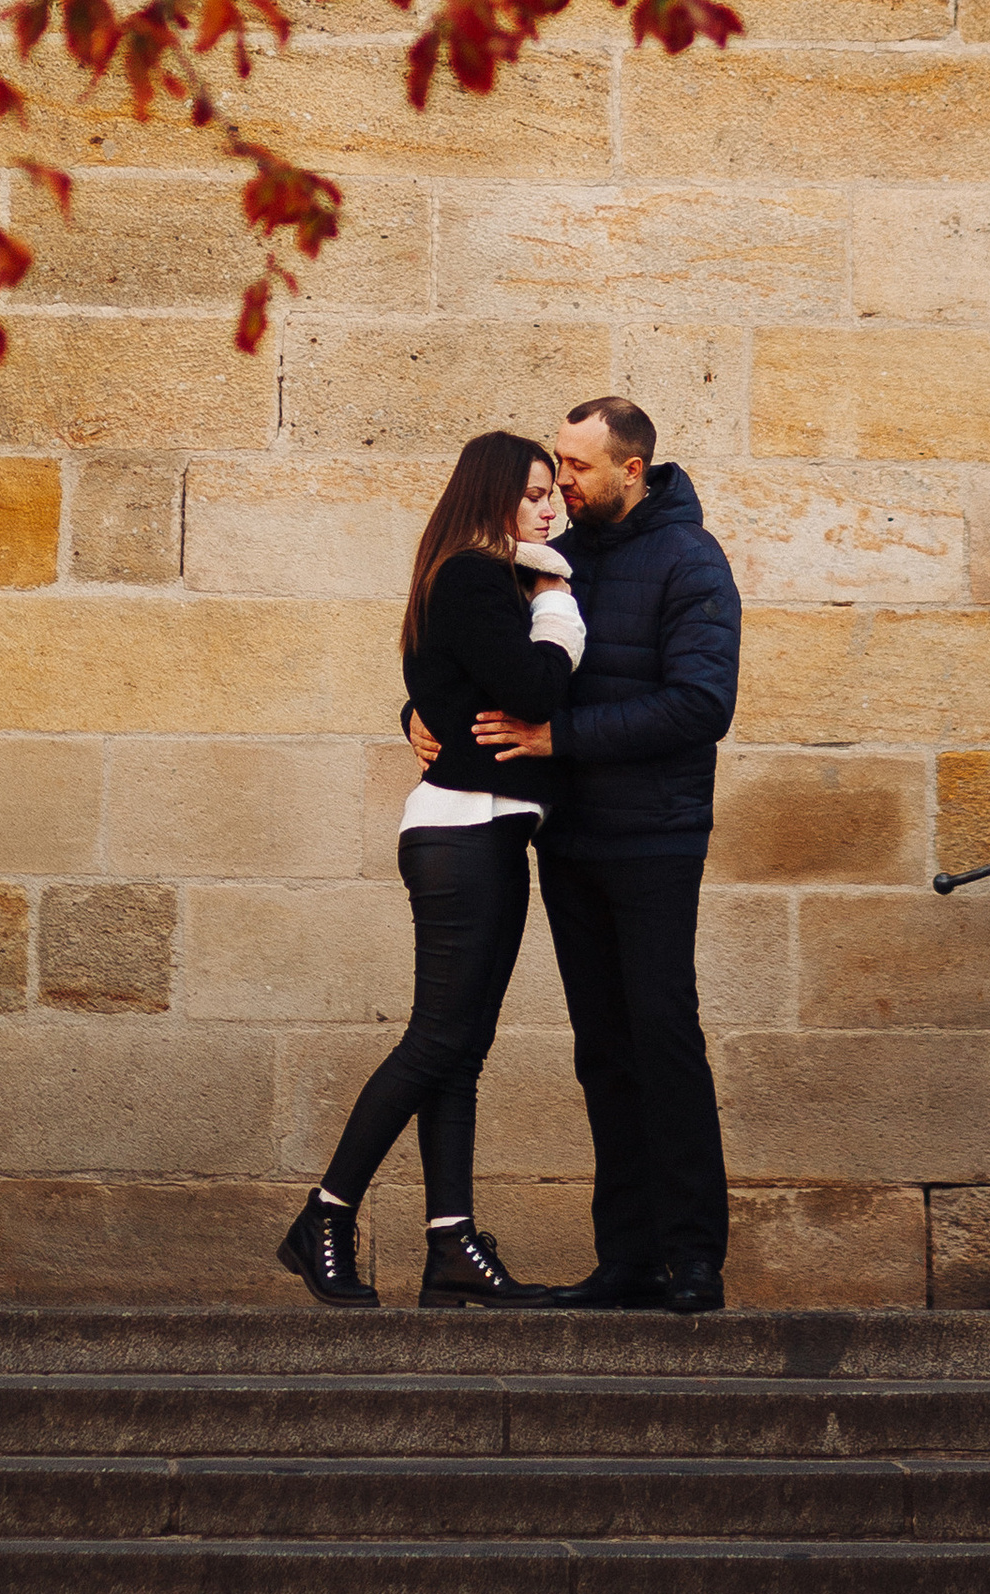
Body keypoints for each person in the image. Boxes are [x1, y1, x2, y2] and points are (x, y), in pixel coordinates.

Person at [423, 395, 741, 1315]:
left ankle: (692, 1261)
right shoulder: (550, 564)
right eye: (557, 465)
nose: (560, 482)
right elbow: (472, 659)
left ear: (631, 470)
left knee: (663, 1038)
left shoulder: (691, 560)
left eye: (577, 467)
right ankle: (627, 1260)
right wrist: (418, 717)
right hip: (567, 836)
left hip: (655, 837)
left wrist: (562, 739)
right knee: (602, 1048)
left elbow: (700, 705)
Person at [276, 432, 583, 1312]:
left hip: (487, 830)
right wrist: (560, 609)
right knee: (439, 1040)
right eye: (531, 493)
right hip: (461, 831)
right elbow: (531, 689)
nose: (548, 506)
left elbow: (449, 682)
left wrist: (421, 704)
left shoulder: (487, 575)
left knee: (463, 1050)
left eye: (553, 492)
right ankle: (326, 1215)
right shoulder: (478, 575)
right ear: (491, 495)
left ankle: (451, 1241)